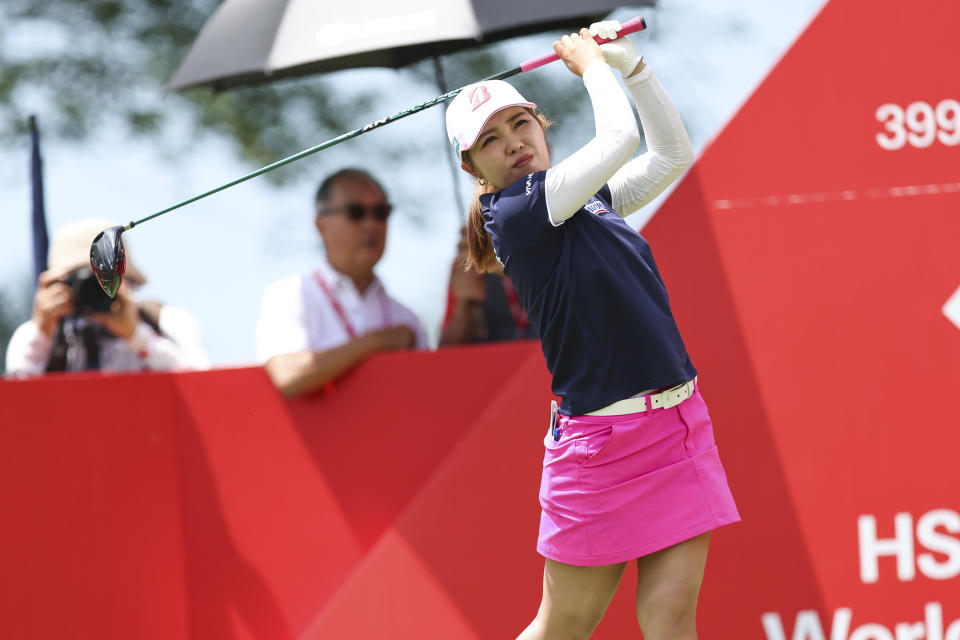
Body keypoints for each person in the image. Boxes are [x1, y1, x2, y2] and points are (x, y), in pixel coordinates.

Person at [444, 21, 740, 640]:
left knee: (670, 615)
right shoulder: (521, 211)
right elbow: (618, 135)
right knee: (566, 626)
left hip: (677, 423)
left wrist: (633, 69)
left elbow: (669, 156)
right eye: (491, 141)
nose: (514, 143)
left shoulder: (585, 199)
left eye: (520, 124)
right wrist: (592, 67)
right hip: (600, 449)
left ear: (540, 124)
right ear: (475, 168)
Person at [255, 168, 426, 396]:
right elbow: (288, 375)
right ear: (321, 224)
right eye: (356, 212)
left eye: (381, 212)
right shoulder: (290, 295)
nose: (371, 224)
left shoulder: (406, 318)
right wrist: (375, 342)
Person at [6, 218, 210, 375]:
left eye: (107, 277)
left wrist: (137, 336)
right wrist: (40, 332)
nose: (97, 288)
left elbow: (202, 389)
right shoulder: (40, 336)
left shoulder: (167, 321)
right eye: (82, 282)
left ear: (129, 279)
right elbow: (17, 406)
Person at [438, 224, 538, 345]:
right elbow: (445, 353)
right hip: (501, 359)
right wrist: (464, 307)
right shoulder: (469, 263)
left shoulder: (560, 245)